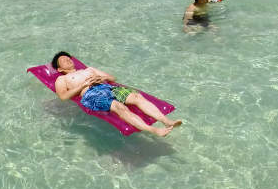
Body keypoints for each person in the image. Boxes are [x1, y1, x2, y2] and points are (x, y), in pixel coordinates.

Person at [51, 52, 181, 136]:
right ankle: (154, 130)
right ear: (60, 69)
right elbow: (63, 96)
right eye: (63, 60)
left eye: (68, 57)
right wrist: (82, 86)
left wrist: (101, 79)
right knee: (119, 107)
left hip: (106, 87)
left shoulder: (89, 69)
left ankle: (166, 121)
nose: (67, 59)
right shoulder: (62, 79)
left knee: (137, 96)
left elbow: (112, 78)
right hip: (90, 95)